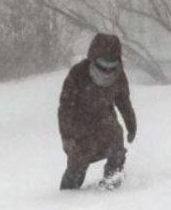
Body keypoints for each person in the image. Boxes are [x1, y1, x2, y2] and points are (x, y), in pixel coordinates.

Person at [58, 33, 137, 190]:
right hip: (79, 127)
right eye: (102, 65)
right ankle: (67, 196)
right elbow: (65, 107)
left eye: (112, 66)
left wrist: (131, 125)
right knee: (77, 165)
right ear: (93, 59)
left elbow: (123, 101)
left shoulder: (119, 76)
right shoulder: (78, 74)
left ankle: (112, 180)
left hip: (105, 122)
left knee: (116, 143)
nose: (107, 71)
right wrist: (66, 136)